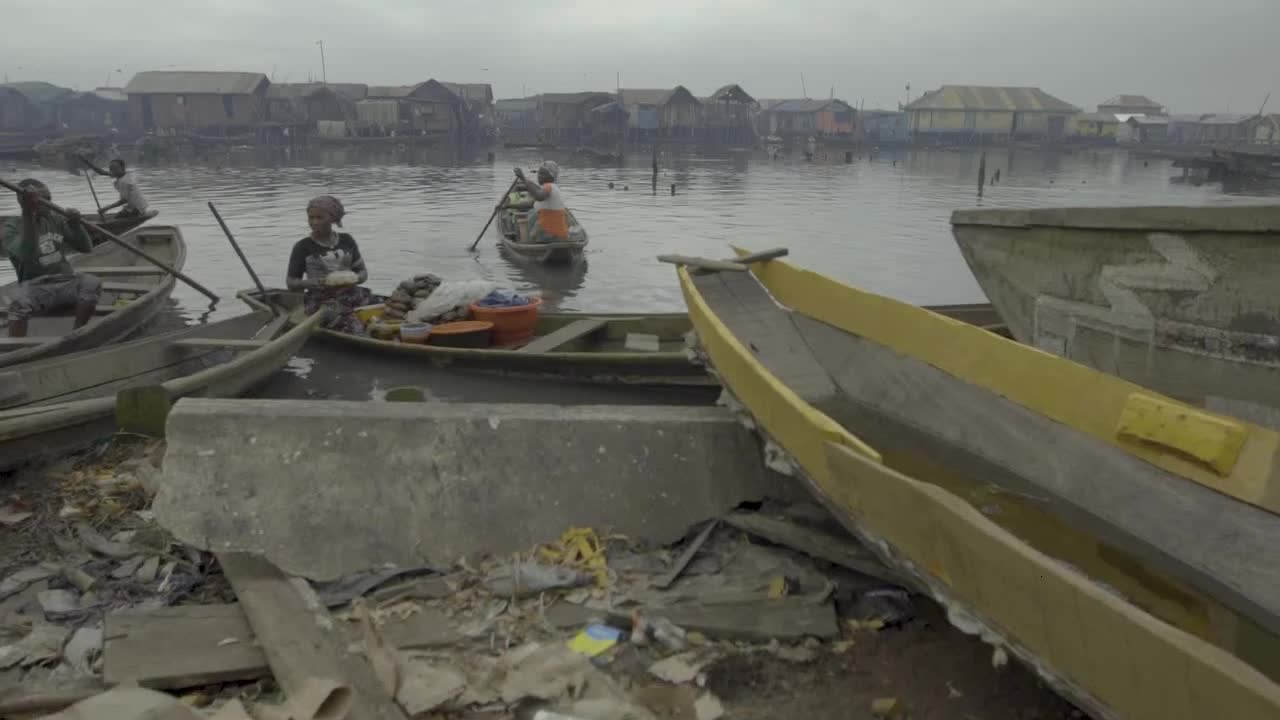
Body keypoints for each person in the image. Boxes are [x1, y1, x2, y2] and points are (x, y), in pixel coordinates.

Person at [0, 179, 101, 337]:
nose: (48, 203)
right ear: (23, 202)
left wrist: (76, 225)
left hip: (66, 281)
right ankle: (15, 350)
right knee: (18, 304)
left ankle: (77, 333)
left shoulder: (55, 219)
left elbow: (86, 248)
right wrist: (29, 214)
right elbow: (27, 255)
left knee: (91, 282)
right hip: (34, 287)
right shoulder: (11, 227)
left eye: (49, 198)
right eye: (42, 200)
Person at [286, 195, 374, 334]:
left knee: (385, 309)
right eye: (311, 218)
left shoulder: (347, 240)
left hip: (351, 294)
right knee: (355, 328)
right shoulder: (302, 246)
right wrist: (311, 282)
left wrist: (354, 278)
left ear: (332, 218)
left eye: (319, 218)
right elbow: (291, 282)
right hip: (321, 300)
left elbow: (363, 273)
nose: (314, 222)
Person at [514, 161, 570, 244]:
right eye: (538, 173)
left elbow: (539, 197)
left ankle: (524, 241)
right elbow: (535, 199)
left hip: (546, 234)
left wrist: (523, 178)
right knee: (532, 213)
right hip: (560, 234)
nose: (539, 176)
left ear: (550, 176)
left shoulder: (548, 186)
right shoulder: (554, 188)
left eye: (542, 174)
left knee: (526, 219)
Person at [84, 158, 149, 219]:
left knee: (117, 218)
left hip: (137, 208)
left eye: (115, 168)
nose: (112, 171)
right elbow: (102, 172)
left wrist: (105, 208)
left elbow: (124, 200)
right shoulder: (121, 175)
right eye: (111, 169)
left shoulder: (125, 181)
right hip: (135, 206)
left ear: (122, 168)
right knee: (117, 216)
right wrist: (86, 162)